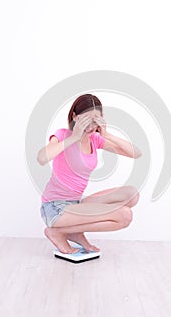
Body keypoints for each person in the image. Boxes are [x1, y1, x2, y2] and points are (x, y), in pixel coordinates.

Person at [37, 93, 142, 254]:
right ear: (75, 117)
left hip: (75, 204)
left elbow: (136, 153)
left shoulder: (95, 139)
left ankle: (73, 231)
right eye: (87, 120)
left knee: (131, 194)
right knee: (124, 216)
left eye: (95, 120)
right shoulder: (63, 135)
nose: (91, 126)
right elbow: (42, 158)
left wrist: (106, 134)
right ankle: (58, 231)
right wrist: (74, 137)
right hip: (55, 208)